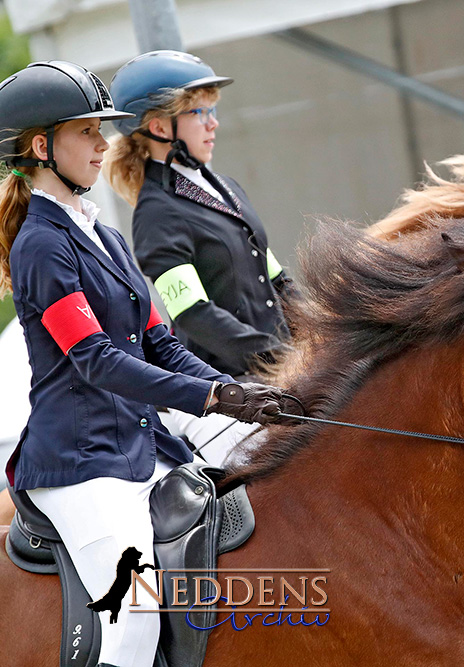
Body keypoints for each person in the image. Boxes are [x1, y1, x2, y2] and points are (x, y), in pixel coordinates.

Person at [0, 60, 285, 667]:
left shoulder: (106, 236)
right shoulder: (41, 245)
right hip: (80, 464)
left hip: (138, 441)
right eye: (86, 132)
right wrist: (205, 399)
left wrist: (237, 392)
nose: (103, 143)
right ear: (41, 146)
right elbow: (96, 361)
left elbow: (164, 345)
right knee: (132, 621)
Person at [105, 50, 295, 466]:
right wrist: (276, 354)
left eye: (213, 110)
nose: (214, 123)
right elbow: (193, 313)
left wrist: (322, 334)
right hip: (226, 389)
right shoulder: (156, 212)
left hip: (282, 368)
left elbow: (277, 280)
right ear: (159, 126)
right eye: (200, 112)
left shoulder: (225, 187)